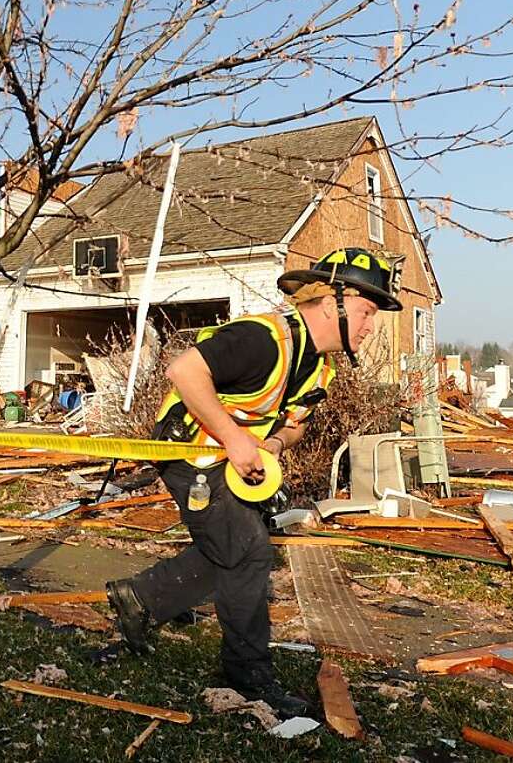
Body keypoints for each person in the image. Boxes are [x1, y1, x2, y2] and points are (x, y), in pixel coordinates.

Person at [105, 247, 403, 718]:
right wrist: (234, 438)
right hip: (190, 448)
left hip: (231, 457)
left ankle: (141, 598)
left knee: (233, 544)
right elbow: (183, 371)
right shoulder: (263, 338)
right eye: (367, 312)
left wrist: (275, 446)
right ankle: (248, 675)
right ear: (332, 303)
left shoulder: (320, 364)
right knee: (248, 549)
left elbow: (295, 422)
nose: (370, 327)